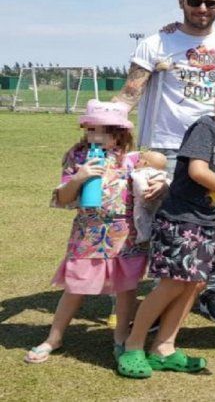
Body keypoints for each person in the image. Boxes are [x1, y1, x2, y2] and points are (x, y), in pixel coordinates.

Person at [112, 0, 215, 324]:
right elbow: (131, 92)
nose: (203, 8)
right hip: (165, 146)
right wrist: (102, 126)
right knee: (163, 224)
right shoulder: (155, 43)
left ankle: (213, 291)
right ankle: (160, 294)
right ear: (181, 1)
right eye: (195, 1)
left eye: (211, 2)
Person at [116, 72, 215, 378]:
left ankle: (164, 348)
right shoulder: (206, 126)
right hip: (181, 220)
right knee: (172, 284)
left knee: (194, 285)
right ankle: (133, 344)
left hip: (210, 223)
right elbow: (197, 170)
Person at [24, 100, 156, 364]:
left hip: (125, 234)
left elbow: (150, 187)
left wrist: (155, 182)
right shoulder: (77, 156)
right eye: (90, 130)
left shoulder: (134, 159)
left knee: (127, 287)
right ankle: (54, 337)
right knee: (75, 285)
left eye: (103, 131)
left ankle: (121, 337)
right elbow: (62, 199)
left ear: (120, 133)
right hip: (89, 232)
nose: (94, 137)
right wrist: (78, 177)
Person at [131, 151, 168, 244]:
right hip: (158, 201)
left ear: (145, 163)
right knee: (154, 216)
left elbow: (139, 182)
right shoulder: (162, 174)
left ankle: (143, 236)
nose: (136, 163)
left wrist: (143, 191)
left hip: (144, 200)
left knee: (140, 218)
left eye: (138, 161)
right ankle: (154, 235)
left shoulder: (140, 172)